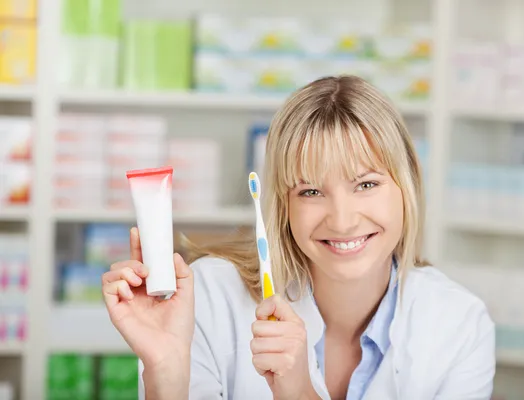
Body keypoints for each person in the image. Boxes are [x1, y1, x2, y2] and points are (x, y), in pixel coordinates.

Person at [102, 75, 496, 400]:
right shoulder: (208, 299)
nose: (342, 221)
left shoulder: (458, 324)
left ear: (406, 184)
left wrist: (299, 392)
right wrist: (167, 369)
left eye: (366, 184)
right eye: (310, 191)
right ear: (282, 203)